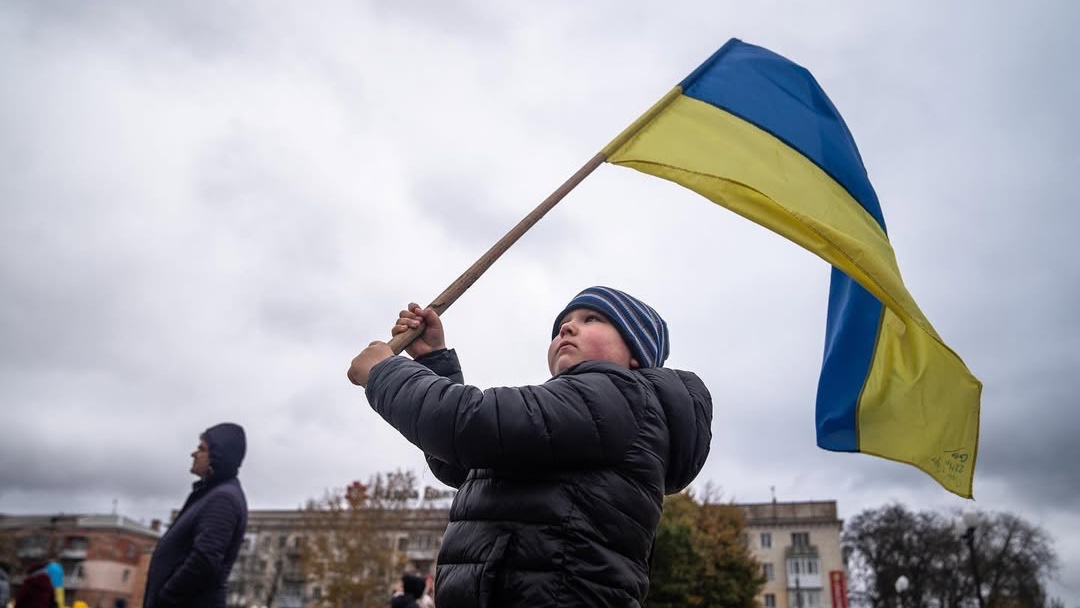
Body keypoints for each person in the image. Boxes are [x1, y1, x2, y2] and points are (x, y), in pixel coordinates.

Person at [349, 286, 713, 607]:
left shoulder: (617, 396)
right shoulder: (584, 412)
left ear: (637, 352)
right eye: (561, 326)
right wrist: (433, 361)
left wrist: (385, 373)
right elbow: (465, 462)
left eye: (592, 319)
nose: (567, 328)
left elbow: (473, 426)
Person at [142, 423, 248, 608]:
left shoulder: (222, 499)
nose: (194, 454)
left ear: (218, 456)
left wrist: (167, 596)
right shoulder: (211, 493)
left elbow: (205, 560)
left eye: (201, 449)